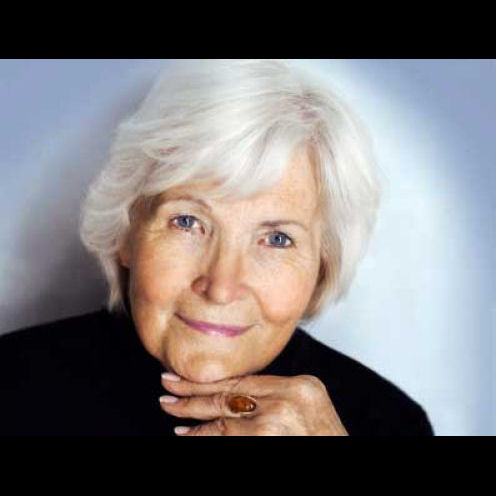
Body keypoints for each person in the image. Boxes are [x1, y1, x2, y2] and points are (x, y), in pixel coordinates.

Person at [0, 59, 434, 436]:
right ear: (127, 231)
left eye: (276, 239)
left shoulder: (389, 423)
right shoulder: (9, 385)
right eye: (188, 222)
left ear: (321, 268)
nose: (221, 287)